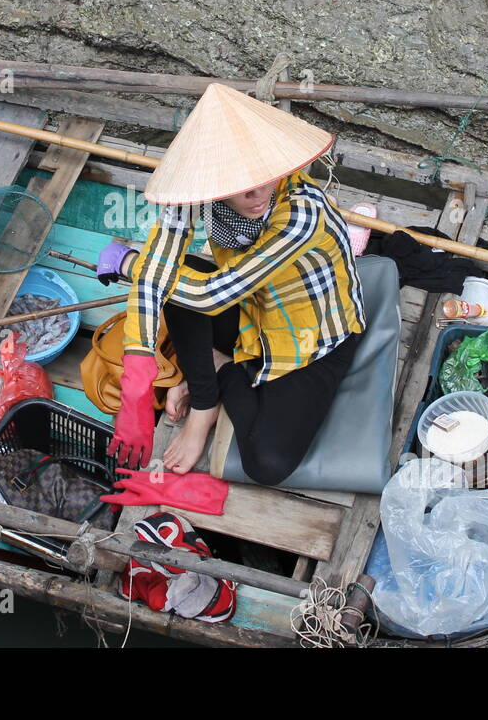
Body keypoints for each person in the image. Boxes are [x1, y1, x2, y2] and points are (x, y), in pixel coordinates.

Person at [95, 83, 366, 485]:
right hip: (251, 310)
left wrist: (131, 263)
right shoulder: (199, 196)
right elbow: (161, 267)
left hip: (314, 339)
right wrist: (137, 379)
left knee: (267, 465)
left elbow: (207, 295)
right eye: (240, 189)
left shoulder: (301, 214)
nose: (257, 195)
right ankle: (204, 404)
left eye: (263, 179)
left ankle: (221, 369)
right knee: (176, 268)